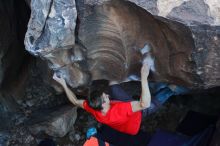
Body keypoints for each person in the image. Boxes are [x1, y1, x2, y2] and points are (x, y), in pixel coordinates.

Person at [53, 63, 151, 135]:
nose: (108, 96)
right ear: (103, 104)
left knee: (112, 85)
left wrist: (63, 83)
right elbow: (145, 104)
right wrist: (144, 77)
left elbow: (74, 101)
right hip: (135, 121)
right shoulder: (120, 111)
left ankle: (133, 77)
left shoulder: (93, 107)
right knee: (153, 103)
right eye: (105, 97)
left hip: (122, 121)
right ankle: (166, 91)